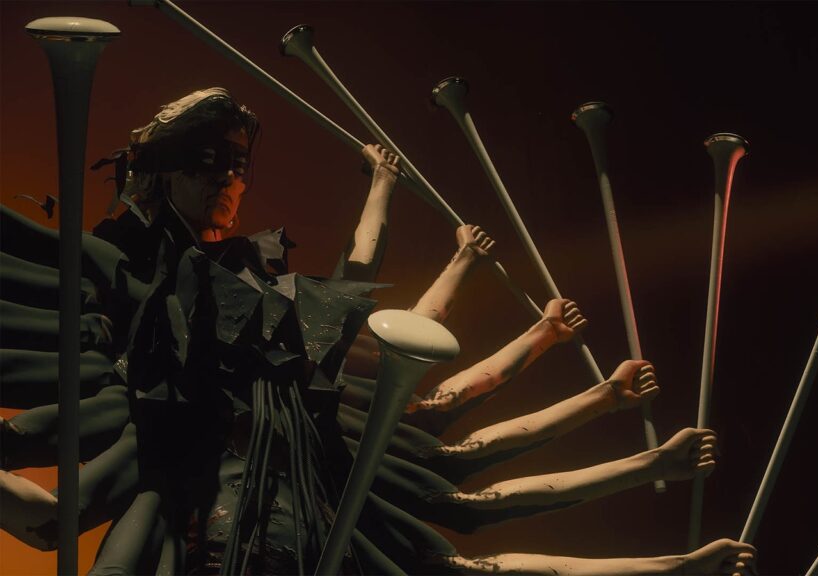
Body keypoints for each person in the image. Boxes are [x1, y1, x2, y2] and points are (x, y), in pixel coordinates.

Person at [0, 87, 756, 576]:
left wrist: (584, 383)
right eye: (208, 164)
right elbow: (44, 516)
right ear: (161, 175)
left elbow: (423, 365)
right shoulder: (143, 317)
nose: (229, 180)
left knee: (453, 494)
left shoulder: (305, 369)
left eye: (237, 166)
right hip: (204, 522)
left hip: (312, 514)